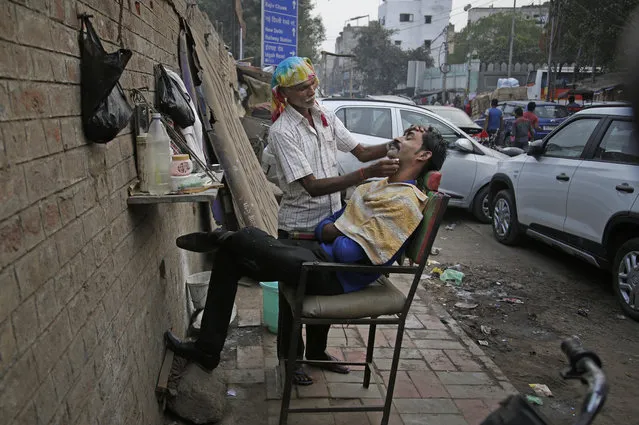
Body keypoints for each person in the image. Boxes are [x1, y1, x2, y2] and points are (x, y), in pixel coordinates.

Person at [164, 127, 448, 383]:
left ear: (423, 155)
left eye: (408, 138)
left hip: (337, 275)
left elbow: (348, 253)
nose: (397, 138)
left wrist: (338, 231)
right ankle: (207, 351)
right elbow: (326, 226)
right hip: (319, 257)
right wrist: (342, 229)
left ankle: (222, 237)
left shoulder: (405, 204)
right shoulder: (376, 186)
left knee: (244, 239)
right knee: (231, 257)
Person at [265, 56, 401, 378]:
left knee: (321, 291)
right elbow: (311, 186)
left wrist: (392, 145)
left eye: (312, 83)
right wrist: (364, 176)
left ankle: (315, 352)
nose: (310, 91)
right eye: (301, 88)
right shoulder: (282, 132)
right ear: (284, 93)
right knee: (293, 298)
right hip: (298, 228)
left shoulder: (324, 115)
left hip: (329, 224)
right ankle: (290, 359)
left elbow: (362, 152)